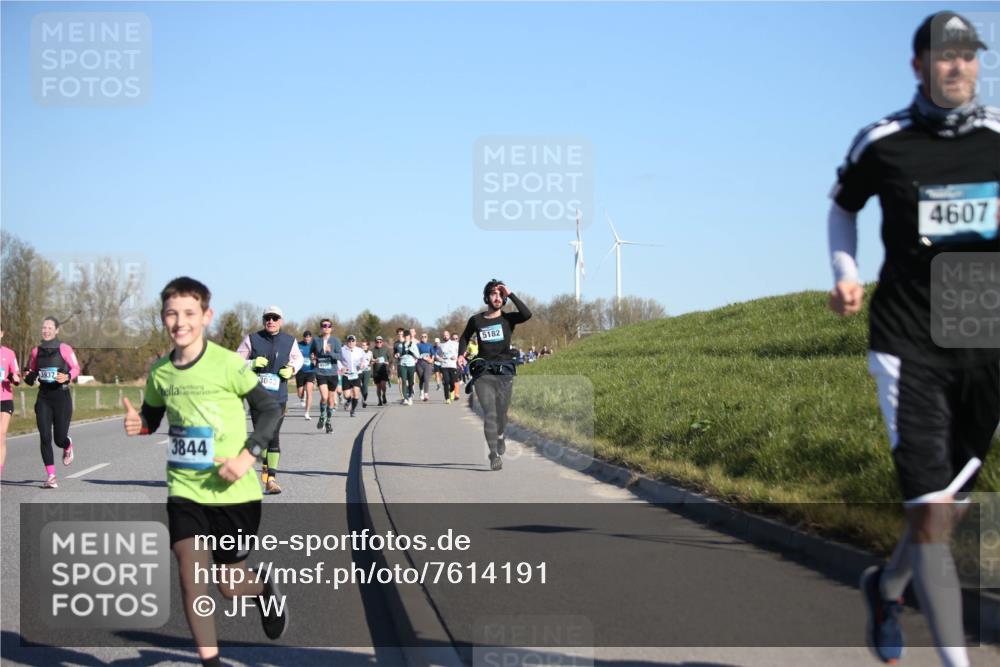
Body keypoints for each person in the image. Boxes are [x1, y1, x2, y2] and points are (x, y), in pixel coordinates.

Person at [827, 12, 1000, 667]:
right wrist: (846, 274)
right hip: (907, 340)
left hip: (984, 336)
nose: (958, 67)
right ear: (919, 65)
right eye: (944, 56)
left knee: (942, 510)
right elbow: (843, 207)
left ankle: (886, 586)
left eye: (969, 56)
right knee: (930, 512)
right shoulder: (882, 142)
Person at [122, 277, 287, 667]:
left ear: (206, 316)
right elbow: (152, 417)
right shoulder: (161, 372)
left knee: (229, 586)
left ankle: (263, 588)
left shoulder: (228, 363)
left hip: (236, 493)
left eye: (189, 313)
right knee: (190, 574)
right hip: (185, 490)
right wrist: (139, 424)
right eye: (171, 313)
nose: (180, 322)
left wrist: (248, 457)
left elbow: (268, 410)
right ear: (163, 317)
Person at [458, 279, 532, 471]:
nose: (497, 297)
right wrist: (461, 354)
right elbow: (465, 337)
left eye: (501, 294)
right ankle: (493, 454)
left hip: (505, 372)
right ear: (486, 297)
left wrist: (511, 293)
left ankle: (500, 436)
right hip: (483, 372)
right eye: (493, 293)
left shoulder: (508, 319)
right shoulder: (476, 320)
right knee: (489, 414)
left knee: (502, 413)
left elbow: (527, 314)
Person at [236, 306, 302, 494]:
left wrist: (291, 370)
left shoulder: (289, 341)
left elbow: (298, 359)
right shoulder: (252, 339)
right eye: (267, 318)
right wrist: (251, 363)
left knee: (273, 436)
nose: (271, 321)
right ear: (264, 320)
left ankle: (271, 479)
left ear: (280, 320)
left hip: (279, 396)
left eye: (275, 318)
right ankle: (265, 468)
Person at [23, 317, 81, 488]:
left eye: (49, 327)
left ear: (56, 330)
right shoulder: (35, 351)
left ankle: (67, 444)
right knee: (45, 437)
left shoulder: (65, 349)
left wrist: (68, 376)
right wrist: (28, 376)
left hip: (61, 398)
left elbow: (76, 368)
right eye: (44, 327)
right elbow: (31, 371)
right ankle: (51, 476)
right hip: (44, 397)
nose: (46, 330)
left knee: (59, 439)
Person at [310, 319, 342, 433]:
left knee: (331, 399)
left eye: (328, 325)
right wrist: (312, 357)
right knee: (324, 397)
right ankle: (322, 415)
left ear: (331, 328)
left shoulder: (336, 341)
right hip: (321, 372)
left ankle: (328, 422)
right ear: (321, 328)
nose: (326, 327)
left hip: (332, 373)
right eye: (324, 325)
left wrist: (330, 353)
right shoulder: (316, 340)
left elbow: (339, 356)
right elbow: (311, 352)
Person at [0, 326, 22, 477]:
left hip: (5, 399)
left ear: (1, 333)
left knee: (1, 435)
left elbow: (16, 376)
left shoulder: (9, 353)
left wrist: (15, 378)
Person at [339, 335, 368, 417]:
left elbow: (365, 360)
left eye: (353, 341)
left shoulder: (360, 350)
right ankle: (348, 400)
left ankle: (353, 410)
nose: (351, 342)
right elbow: (338, 360)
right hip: (346, 375)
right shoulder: (342, 350)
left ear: (355, 342)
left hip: (356, 374)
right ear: (347, 342)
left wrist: (363, 364)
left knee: (356, 393)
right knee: (346, 395)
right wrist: (341, 367)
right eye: (349, 341)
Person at [296, 331, 316, 420]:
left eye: (308, 337)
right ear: (303, 337)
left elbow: (319, 357)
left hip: (311, 371)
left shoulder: (314, 346)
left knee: (309, 390)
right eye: (305, 337)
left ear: (311, 338)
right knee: (300, 394)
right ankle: (302, 396)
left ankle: (307, 412)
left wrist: (315, 359)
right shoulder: (298, 345)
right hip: (300, 371)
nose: (307, 339)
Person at [396, 331, 419, 405]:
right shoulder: (400, 345)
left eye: (407, 336)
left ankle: (410, 396)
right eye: (405, 337)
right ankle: (405, 398)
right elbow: (398, 353)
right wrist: (397, 355)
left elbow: (418, 355)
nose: (406, 338)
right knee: (403, 381)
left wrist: (411, 352)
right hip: (403, 365)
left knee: (411, 382)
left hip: (411, 365)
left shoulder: (413, 345)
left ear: (410, 337)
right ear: (404, 337)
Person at [437, 330, 459, 404]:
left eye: (446, 335)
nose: (445, 336)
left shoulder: (455, 343)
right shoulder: (441, 345)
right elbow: (438, 355)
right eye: (444, 335)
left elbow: (460, 352)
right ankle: (447, 398)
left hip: (452, 365)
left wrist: (455, 357)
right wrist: (440, 359)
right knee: (446, 382)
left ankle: (452, 391)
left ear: (449, 336)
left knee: (452, 382)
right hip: (444, 365)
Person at [371, 336, 392, 406]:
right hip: (376, 371)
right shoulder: (372, 350)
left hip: (384, 370)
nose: (379, 343)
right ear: (375, 342)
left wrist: (388, 362)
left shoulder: (386, 349)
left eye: (380, 342)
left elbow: (391, 359)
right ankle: (379, 400)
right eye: (377, 342)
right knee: (378, 387)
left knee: (383, 385)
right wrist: (373, 361)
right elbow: (370, 361)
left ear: (382, 342)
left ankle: (384, 395)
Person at [416, 332, 435, 402]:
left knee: (426, 378)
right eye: (422, 337)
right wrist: (422, 357)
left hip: (428, 364)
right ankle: (421, 391)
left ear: (427, 338)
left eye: (425, 337)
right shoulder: (418, 345)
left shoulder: (430, 345)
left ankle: (426, 394)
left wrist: (431, 360)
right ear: (420, 338)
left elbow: (433, 354)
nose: (423, 338)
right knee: (421, 379)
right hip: (419, 363)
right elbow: (416, 354)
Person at [359, 339, 373, 408]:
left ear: (368, 346)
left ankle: (364, 400)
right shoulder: (358, 352)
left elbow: (371, 360)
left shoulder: (370, 352)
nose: (363, 346)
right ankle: (363, 396)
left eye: (365, 345)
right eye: (362, 345)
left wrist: (372, 362)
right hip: (360, 371)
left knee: (365, 385)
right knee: (359, 385)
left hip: (367, 370)